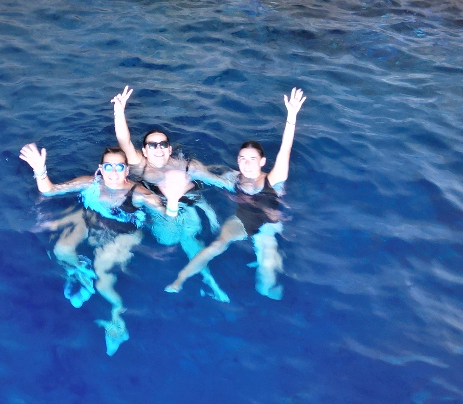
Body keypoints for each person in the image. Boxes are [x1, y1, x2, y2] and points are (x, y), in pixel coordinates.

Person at [19, 143, 161, 355]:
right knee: (62, 250)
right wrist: (40, 170)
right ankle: (80, 272)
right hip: (92, 218)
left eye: (119, 167)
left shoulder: (138, 194)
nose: (113, 172)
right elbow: (50, 191)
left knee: (103, 274)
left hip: (126, 231)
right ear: (101, 169)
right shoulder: (90, 183)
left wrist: (173, 202)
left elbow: (162, 210)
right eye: (109, 167)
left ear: (127, 170)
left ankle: (117, 317)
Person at [165, 87, 306, 300]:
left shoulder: (273, 178)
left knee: (267, 280)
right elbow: (209, 174)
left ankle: (268, 295)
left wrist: (291, 117)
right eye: (242, 159)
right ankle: (181, 278)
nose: (246, 164)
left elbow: (285, 149)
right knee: (217, 245)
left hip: (268, 225)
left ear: (262, 162)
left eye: (252, 159)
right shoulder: (234, 177)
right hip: (241, 219)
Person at [110, 86, 231, 303]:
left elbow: (210, 185)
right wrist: (119, 113)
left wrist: (210, 212)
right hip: (163, 209)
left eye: (163, 144)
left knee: (190, 238)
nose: (158, 148)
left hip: (190, 206)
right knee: (170, 239)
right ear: (145, 150)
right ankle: (205, 278)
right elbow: (124, 143)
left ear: (169, 149)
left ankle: (208, 279)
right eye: (152, 145)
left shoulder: (186, 165)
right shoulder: (141, 165)